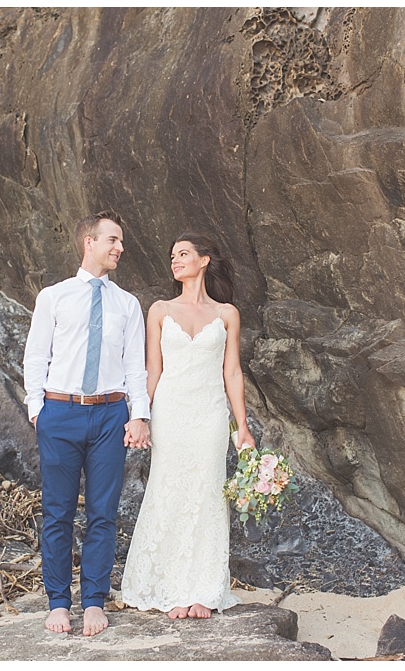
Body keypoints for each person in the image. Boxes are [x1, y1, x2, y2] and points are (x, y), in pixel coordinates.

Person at [23, 210, 152, 636]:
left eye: (121, 242)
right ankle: (59, 602)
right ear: (89, 243)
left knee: (103, 513)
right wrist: (37, 411)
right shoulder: (53, 296)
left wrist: (139, 414)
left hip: (110, 415)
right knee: (57, 512)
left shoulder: (128, 304)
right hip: (60, 413)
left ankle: (93, 600)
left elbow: (136, 365)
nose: (119, 248)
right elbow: (36, 355)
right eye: (112, 240)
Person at [121, 232, 254, 619]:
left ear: (204, 260)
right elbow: (153, 370)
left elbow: (232, 372)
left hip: (211, 415)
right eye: (172, 256)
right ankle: (172, 588)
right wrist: (139, 415)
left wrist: (241, 426)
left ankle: (204, 589)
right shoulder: (160, 309)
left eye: (183, 254)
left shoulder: (227, 314)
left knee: (209, 492)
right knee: (169, 489)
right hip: (171, 413)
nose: (175, 261)